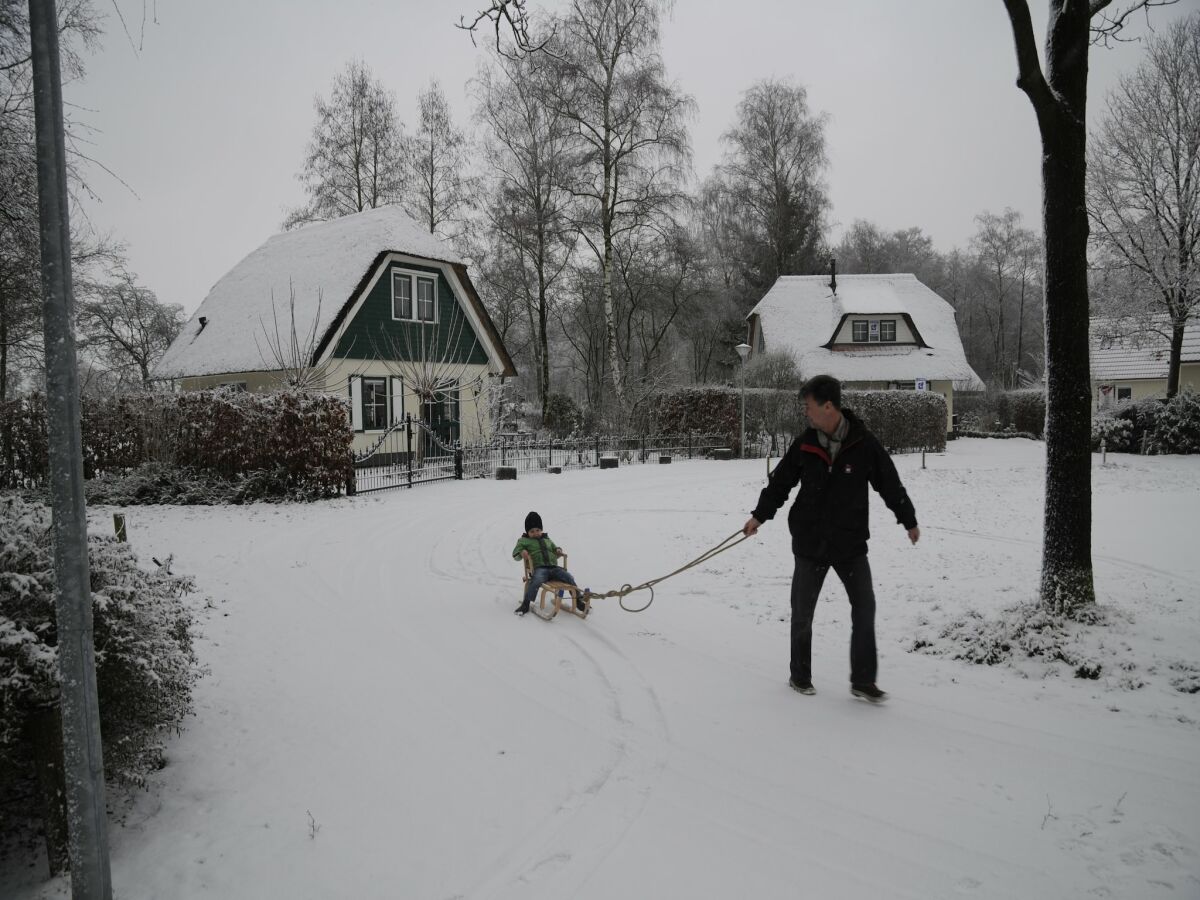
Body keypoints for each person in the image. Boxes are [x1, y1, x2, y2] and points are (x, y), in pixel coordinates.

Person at [742, 375, 920, 703]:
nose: (805, 413)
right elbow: (780, 483)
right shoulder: (806, 443)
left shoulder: (863, 444)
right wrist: (759, 516)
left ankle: (863, 681)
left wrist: (908, 519)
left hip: (849, 544)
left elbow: (889, 483)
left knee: (864, 606)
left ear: (828, 406)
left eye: (808, 407)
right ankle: (800, 675)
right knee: (802, 613)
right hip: (810, 543)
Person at [512, 511, 583, 616]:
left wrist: (558, 550)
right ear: (527, 532)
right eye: (532, 531)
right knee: (536, 580)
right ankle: (526, 603)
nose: (536, 533)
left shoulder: (547, 539)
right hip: (539, 569)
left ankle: (578, 600)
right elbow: (515, 555)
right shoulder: (524, 541)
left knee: (569, 577)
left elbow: (554, 548)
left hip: (554, 568)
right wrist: (522, 552)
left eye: (538, 530)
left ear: (541, 529)